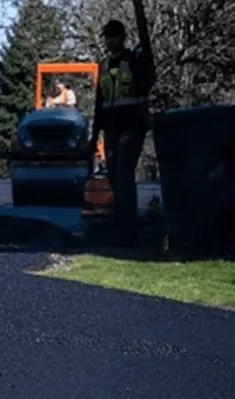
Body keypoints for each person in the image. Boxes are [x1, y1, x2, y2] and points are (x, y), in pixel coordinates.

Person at [91, 17, 156, 247]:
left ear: (121, 38)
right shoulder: (103, 67)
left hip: (131, 125)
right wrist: (94, 135)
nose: (109, 41)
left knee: (124, 175)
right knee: (114, 177)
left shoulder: (135, 61)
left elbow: (148, 81)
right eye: (107, 37)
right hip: (111, 128)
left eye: (112, 36)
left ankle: (128, 228)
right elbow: (99, 103)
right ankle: (121, 224)